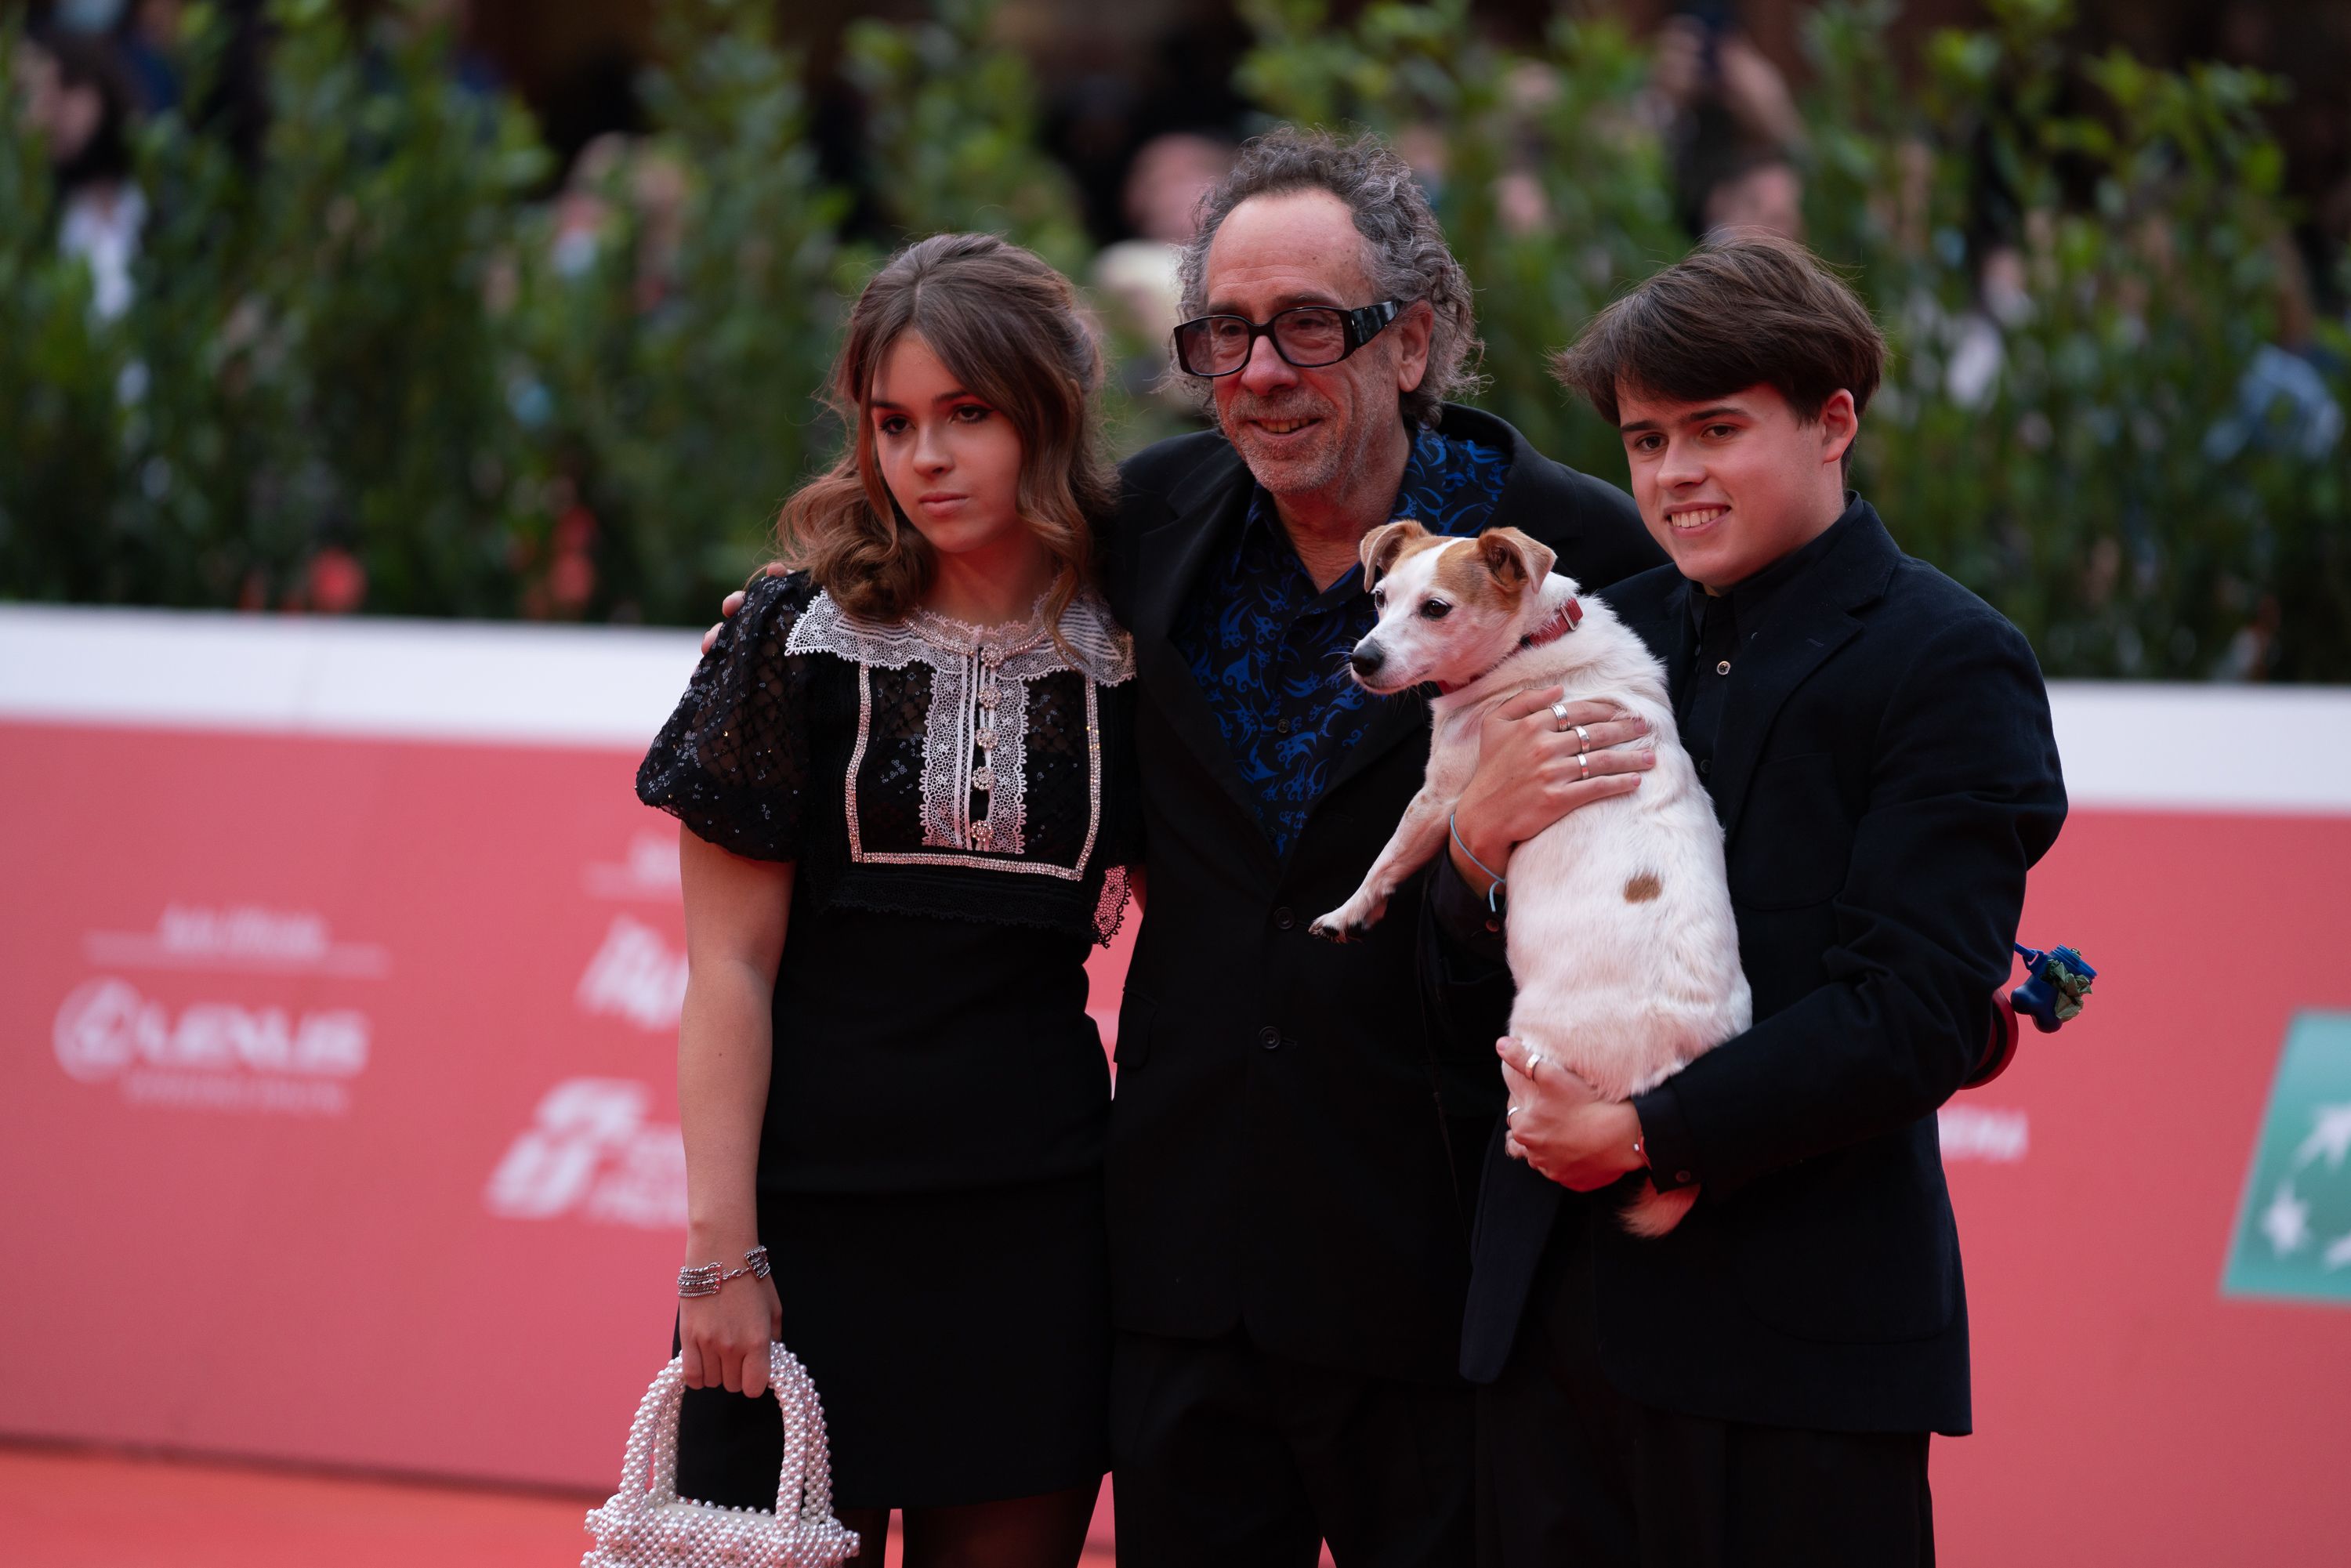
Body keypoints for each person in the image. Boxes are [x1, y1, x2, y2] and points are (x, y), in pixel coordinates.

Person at [715, 129, 1662, 1563]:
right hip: (1178, 1270)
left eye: (1306, 328)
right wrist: (786, 607)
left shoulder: (1587, 556)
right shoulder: (1149, 522)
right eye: (1225, 334)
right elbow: (951, 549)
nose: (1261, 373)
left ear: (1411, 343)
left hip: (1444, 1263)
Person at [1422, 234, 2068, 1566]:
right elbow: (1465, 971)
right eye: (1647, 440)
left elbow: (1914, 1013)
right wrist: (1473, 862)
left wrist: (1646, 1130)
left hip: (1799, 1353)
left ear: (1835, 421)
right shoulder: (1597, 632)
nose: (1674, 475)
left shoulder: (1947, 659)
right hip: (1547, 1324)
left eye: (1716, 429)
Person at [638, 232, 1134, 1568]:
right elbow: (727, 968)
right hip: (804, 1231)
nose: (927, 457)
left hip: (1040, 1231)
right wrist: (720, 1256)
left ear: (1050, 409)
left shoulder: (1136, 645)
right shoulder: (791, 637)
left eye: (968, 415)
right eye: (894, 421)